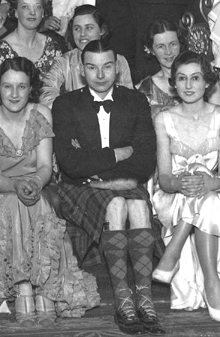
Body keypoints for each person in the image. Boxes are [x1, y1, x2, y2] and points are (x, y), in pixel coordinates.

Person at [53, 39, 161, 335]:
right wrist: (117, 153)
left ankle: (145, 301)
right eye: (92, 67)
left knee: (137, 204)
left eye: (107, 66)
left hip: (120, 184)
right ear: (81, 69)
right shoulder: (65, 104)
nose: (100, 75)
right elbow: (71, 165)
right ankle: (124, 301)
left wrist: (107, 174)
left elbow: (144, 162)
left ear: (117, 67)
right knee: (117, 204)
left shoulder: (135, 101)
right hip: (79, 189)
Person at [0, 57, 92, 326]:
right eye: (7, 87)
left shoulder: (41, 114)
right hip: (1, 192)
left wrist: (35, 183)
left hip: (40, 184)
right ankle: (25, 289)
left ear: (31, 89)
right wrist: (16, 186)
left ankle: (47, 292)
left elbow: (43, 166)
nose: (14, 94)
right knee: (18, 203)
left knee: (35, 202)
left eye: (22, 87)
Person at [151, 52, 220, 321]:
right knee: (205, 199)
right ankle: (214, 286)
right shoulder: (164, 119)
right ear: (173, 83)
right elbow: (164, 177)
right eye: (182, 78)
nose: (188, 86)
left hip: (215, 187)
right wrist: (178, 182)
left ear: (207, 82)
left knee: (208, 194)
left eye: (195, 78)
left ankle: (172, 253)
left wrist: (212, 182)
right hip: (173, 194)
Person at [0, 0, 64, 109]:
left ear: (43, 13)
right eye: (25, 7)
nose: (32, 12)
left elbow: (59, 91)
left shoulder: (52, 47)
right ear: (15, 13)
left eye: (37, 7)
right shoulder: (2, 51)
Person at [40, 5, 132, 108]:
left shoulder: (119, 60)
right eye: (77, 29)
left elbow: (129, 99)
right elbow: (47, 95)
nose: (82, 34)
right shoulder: (63, 62)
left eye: (89, 28)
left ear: (102, 30)